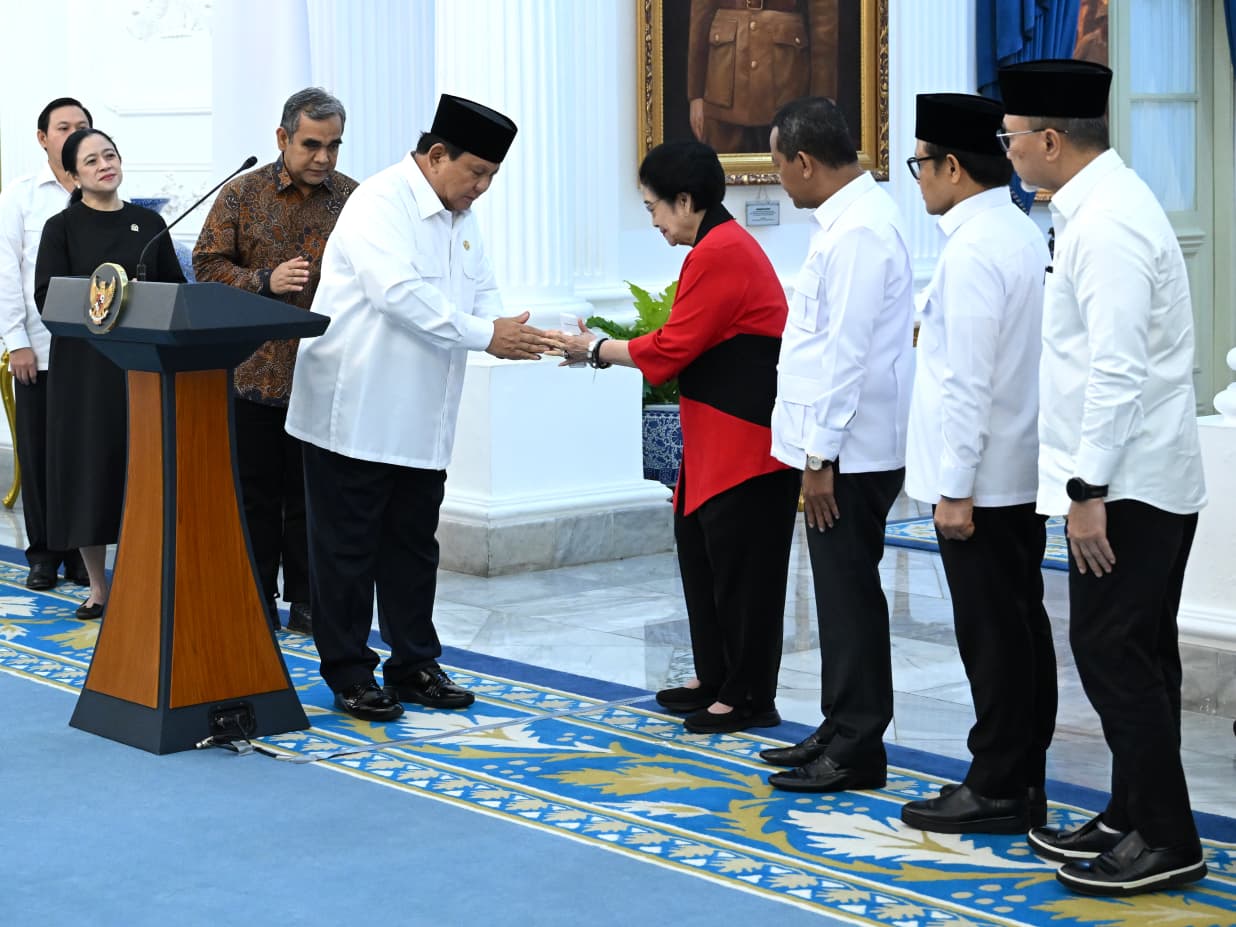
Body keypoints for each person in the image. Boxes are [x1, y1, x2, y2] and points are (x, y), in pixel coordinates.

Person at [997, 59, 1208, 897]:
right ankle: (1130, 810)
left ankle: (1168, 835)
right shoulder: (1094, 208)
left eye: (1011, 140)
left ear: (1051, 140)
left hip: (1131, 485)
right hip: (1136, 476)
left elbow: (1118, 369)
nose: (1006, 153)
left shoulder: (1108, 223)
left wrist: (1088, 491)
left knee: (1111, 651)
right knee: (1139, 652)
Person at [285, 95, 557, 722]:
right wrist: (488, 334)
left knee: (413, 546)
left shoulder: (459, 214)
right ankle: (349, 671)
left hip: (423, 416)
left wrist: (523, 333)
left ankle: (413, 662)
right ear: (437, 155)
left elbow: (483, 292)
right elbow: (398, 295)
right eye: (476, 174)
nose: (482, 189)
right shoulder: (380, 202)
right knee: (347, 552)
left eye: (492, 176)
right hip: (353, 412)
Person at [557, 141, 800, 735]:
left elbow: (672, 348)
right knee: (702, 555)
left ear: (685, 200)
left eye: (654, 208)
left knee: (743, 575)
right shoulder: (715, 246)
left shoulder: (721, 251)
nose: (655, 221)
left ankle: (747, 695)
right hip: (716, 437)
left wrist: (594, 349)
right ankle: (716, 675)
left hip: (746, 444)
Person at [897, 93, 1056, 834]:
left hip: (982, 484)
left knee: (992, 637)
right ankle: (1023, 776)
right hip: (1021, 472)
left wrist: (953, 488)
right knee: (1022, 629)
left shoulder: (972, 249)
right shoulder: (1021, 232)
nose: (917, 178)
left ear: (953, 167)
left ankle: (995, 781)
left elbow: (966, 382)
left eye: (920, 163)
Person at [760, 96, 914, 792]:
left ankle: (857, 743)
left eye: (777, 164)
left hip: (848, 453)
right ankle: (838, 722)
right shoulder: (851, 220)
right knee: (837, 591)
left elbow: (846, 354)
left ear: (804, 160)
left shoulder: (858, 232)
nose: (778, 179)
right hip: (840, 447)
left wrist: (819, 458)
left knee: (849, 593)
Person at [193, 87, 358, 635]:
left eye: (333, 146)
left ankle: (311, 600)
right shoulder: (242, 195)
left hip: (329, 371)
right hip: (254, 374)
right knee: (256, 497)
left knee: (316, 498)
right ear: (283, 137)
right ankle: (255, 597)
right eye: (312, 144)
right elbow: (206, 266)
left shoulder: (355, 200)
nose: (324, 159)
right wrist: (263, 281)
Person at [33, 128, 186, 619]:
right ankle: (98, 586)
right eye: (92, 160)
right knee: (91, 473)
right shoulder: (62, 227)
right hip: (85, 375)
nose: (105, 164)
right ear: (73, 174)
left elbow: (178, 293)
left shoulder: (150, 223)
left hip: (143, 369)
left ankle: (147, 580)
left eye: (111, 155)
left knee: (142, 474)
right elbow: (46, 297)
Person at [0, 97, 93, 591]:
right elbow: (6, 274)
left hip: (95, 352)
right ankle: (43, 554)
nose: (73, 133)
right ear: (43, 138)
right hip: (38, 347)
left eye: (82, 126)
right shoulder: (21, 197)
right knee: (39, 454)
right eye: (63, 127)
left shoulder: (105, 193)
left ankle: (83, 554)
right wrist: (17, 342)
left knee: (84, 455)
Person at [687, 0, 839, 154]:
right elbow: (701, 14)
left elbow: (823, 22)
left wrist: (823, 95)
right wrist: (696, 94)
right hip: (721, 88)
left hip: (788, 86)